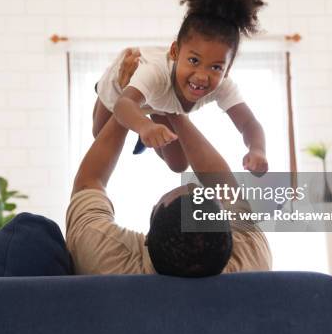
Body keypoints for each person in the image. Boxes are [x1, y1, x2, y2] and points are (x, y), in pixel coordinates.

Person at [92, 0, 268, 175]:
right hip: (125, 82)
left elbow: (249, 122)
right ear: (175, 53)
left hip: (158, 99)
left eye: (216, 67)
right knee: (99, 134)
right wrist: (143, 126)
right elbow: (124, 104)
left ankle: (147, 121)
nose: (203, 76)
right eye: (194, 61)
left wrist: (257, 150)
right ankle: (127, 110)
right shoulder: (155, 72)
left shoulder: (223, 86)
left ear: (228, 69)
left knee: (178, 165)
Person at [67, 108, 271, 276]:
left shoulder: (106, 258)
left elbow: (89, 181)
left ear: (146, 239)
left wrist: (127, 104)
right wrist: (174, 112)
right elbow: (224, 184)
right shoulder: (250, 258)